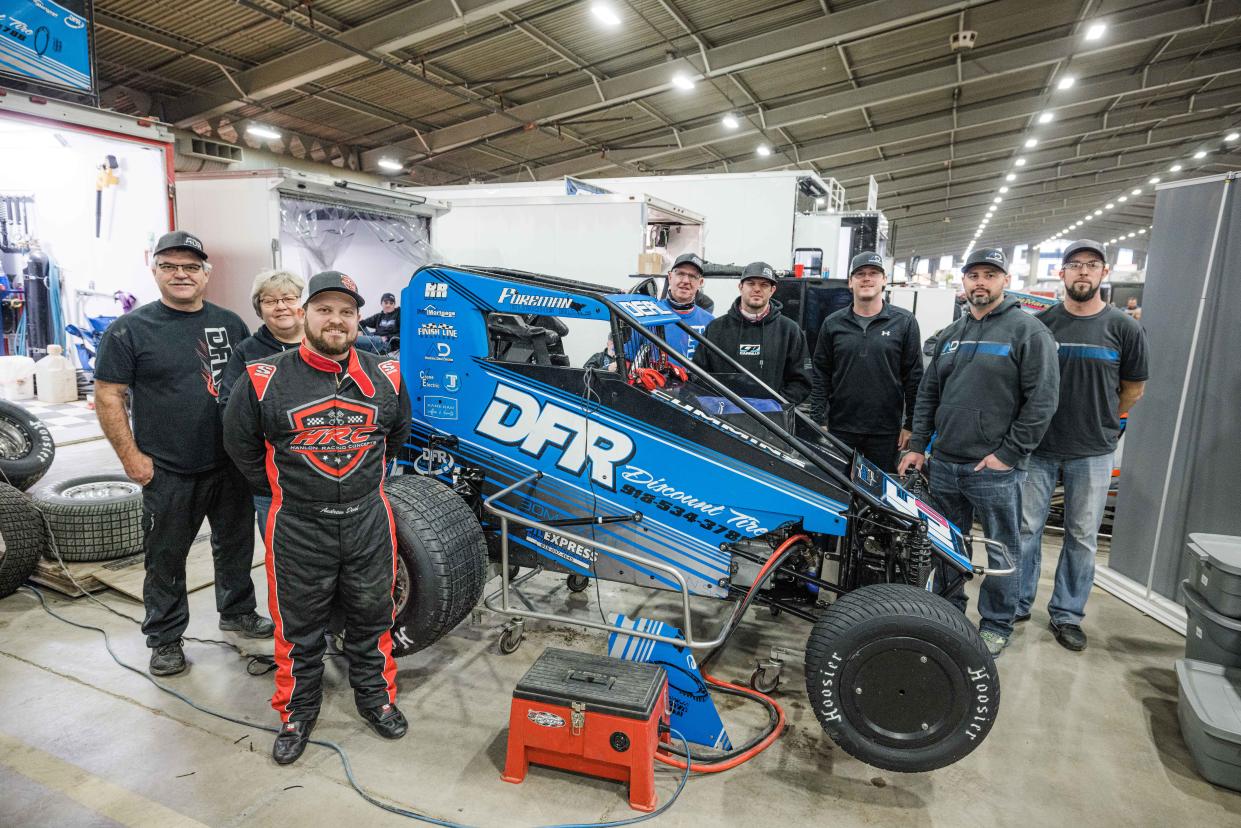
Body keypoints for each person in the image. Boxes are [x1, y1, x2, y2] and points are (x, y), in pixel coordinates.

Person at [223, 271, 412, 765]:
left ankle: (375, 699)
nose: (337, 320)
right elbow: (241, 448)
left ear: (357, 319)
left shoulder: (387, 375)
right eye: (325, 309)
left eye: (347, 311)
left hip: (370, 521)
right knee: (298, 627)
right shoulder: (264, 378)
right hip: (299, 527)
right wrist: (288, 491)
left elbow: (396, 437)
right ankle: (297, 711)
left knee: (374, 618)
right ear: (305, 315)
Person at [94, 230, 273, 677]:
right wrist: (130, 458)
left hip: (229, 463)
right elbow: (109, 396)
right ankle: (166, 637)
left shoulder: (230, 324)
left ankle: (237, 612)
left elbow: (253, 389)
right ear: (154, 271)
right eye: (170, 266)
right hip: (167, 467)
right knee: (166, 557)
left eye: (191, 267)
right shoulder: (129, 330)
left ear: (205, 274)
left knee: (235, 547)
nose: (181, 274)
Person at [897, 247, 1059, 657]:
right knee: (948, 545)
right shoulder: (952, 335)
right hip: (946, 464)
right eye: (973, 275)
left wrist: (1008, 453)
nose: (980, 282)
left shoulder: (1028, 332)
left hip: (995, 469)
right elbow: (928, 394)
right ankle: (950, 612)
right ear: (964, 282)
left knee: (1003, 548)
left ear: (1005, 280)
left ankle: (997, 622)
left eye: (990, 274)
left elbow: (1042, 401)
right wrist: (918, 445)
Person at [1016, 241, 1149, 651]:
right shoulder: (1040, 324)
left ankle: (1068, 614)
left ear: (1103, 274)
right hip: (1038, 447)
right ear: (1062, 274)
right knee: (1026, 529)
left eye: (1091, 266)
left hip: (1092, 449)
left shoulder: (1124, 327)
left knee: (1082, 535)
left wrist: (1104, 424)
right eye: (1075, 265)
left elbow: (1133, 390)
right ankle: (1017, 602)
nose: (1082, 273)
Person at [810, 251, 923, 472]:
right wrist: (818, 419)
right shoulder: (833, 324)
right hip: (840, 429)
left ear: (884, 280)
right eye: (860, 274)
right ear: (850, 282)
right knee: (836, 493)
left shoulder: (904, 322)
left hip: (886, 432)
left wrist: (911, 425)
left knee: (879, 498)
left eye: (874, 273)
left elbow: (914, 378)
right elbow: (821, 374)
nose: (867, 278)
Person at [218, 269, 306, 530]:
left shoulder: (324, 344)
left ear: (303, 304)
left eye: (289, 298)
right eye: (270, 301)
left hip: (325, 480)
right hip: (272, 487)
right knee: (281, 559)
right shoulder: (248, 352)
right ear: (260, 309)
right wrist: (263, 476)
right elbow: (230, 416)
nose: (281, 307)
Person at [692, 261, 811, 403]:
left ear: (772, 290)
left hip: (772, 421)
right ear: (740, 287)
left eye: (764, 285)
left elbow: (802, 381)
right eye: (751, 283)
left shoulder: (790, 331)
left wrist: (775, 405)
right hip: (724, 420)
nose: (757, 289)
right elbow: (699, 376)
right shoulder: (716, 329)